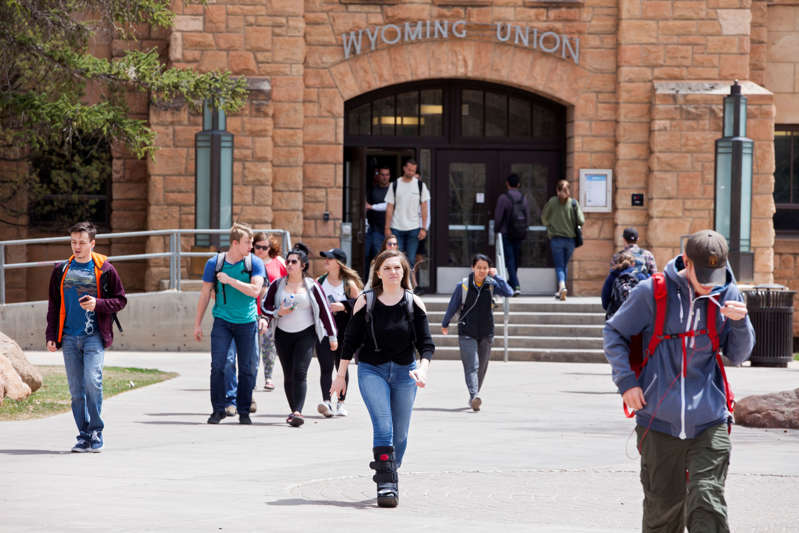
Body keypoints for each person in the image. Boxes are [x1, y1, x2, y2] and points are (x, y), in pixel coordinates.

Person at [603, 230, 755, 532]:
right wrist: (627, 383)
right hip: (658, 422)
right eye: (704, 275)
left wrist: (741, 323)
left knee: (707, 501)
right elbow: (614, 333)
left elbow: (738, 354)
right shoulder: (652, 293)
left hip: (710, 419)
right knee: (663, 512)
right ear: (686, 261)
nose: (710, 283)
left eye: (716, 274)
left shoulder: (727, 294)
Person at [332, 250, 434, 508]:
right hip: (371, 370)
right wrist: (340, 376)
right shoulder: (366, 301)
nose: (393, 272)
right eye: (387, 268)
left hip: (405, 372)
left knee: (400, 435)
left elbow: (426, 345)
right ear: (378, 272)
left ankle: (389, 467)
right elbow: (350, 342)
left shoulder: (413, 302)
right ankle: (387, 485)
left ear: (404, 272)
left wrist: (423, 369)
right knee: (384, 426)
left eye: (397, 268)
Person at [46, 221, 127, 453]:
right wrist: (52, 335)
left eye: (82, 242)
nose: (77, 247)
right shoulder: (60, 270)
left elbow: (120, 300)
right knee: (75, 391)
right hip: (69, 337)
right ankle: (83, 435)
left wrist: (98, 304)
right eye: (73, 242)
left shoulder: (105, 269)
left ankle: (96, 430)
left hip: (94, 337)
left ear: (92, 243)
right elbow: (54, 305)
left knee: (93, 381)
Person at [194, 223, 265, 425]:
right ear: (235, 243)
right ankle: (218, 409)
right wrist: (197, 323)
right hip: (223, 321)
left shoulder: (255, 263)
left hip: (247, 322)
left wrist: (230, 281)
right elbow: (205, 293)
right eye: (247, 243)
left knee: (248, 368)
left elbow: (255, 291)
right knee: (219, 365)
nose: (251, 247)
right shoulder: (214, 263)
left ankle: (244, 412)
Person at [261, 244, 338, 427]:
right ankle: (293, 409)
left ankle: (298, 412)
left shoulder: (313, 286)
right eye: (287, 261)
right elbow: (265, 306)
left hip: (306, 334)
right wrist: (278, 312)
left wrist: (332, 335)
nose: (289, 264)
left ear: (303, 265)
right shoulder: (277, 284)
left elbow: (325, 311)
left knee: (300, 372)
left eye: (294, 262)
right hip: (282, 335)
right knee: (288, 375)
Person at [440, 254, 513, 411]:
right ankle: (474, 396)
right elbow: (453, 305)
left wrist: (497, 276)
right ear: (473, 268)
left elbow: (509, 292)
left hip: (486, 332)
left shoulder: (492, 284)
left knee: (482, 367)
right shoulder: (464, 286)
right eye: (478, 267)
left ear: (489, 269)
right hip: (467, 331)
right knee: (472, 366)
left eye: (485, 268)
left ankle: (474, 395)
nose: (481, 271)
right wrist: (445, 323)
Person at [316, 248, 363, 418]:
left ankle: (341, 403)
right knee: (326, 367)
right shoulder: (319, 281)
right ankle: (327, 402)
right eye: (326, 258)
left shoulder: (348, 283)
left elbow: (360, 303)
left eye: (330, 258)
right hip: (324, 331)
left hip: (344, 332)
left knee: (341, 368)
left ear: (339, 262)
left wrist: (343, 306)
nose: (326, 261)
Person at [541, 179, 584, 301]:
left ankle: (562, 286)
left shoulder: (552, 202)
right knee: (564, 265)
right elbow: (581, 221)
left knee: (559, 266)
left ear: (557, 190)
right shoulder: (573, 204)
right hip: (570, 240)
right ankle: (561, 289)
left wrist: (550, 226)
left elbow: (544, 218)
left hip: (556, 239)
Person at [384, 159, 430, 265]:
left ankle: (406, 281)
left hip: (414, 228)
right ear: (404, 169)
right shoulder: (395, 185)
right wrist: (387, 228)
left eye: (413, 171)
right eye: (409, 170)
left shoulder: (420, 185)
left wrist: (423, 228)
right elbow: (389, 207)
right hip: (396, 228)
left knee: (411, 260)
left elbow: (424, 208)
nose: (411, 172)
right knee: (396, 259)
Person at [258, 233, 287, 391]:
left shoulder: (279, 263)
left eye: (265, 247)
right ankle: (250, 377)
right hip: (251, 310)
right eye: (258, 247)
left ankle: (268, 377)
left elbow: (288, 282)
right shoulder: (249, 262)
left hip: (270, 312)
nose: (261, 250)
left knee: (269, 346)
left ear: (270, 248)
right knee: (252, 347)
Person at [494, 174, 529, 296]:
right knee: (515, 259)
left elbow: (498, 217)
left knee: (510, 260)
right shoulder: (523, 198)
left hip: (506, 233)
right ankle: (512, 282)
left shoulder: (503, 198)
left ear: (507, 184)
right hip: (519, 233)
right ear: (518, 184)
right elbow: (527, 216)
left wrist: (496, 230)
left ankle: (515, 285)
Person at [601, 252, 649, 320]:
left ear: (619, 263)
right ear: (633, 264)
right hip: (637, 317)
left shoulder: (612, 276)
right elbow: (648, 296)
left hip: (616, 317)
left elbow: (605, 299)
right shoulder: (640, 276)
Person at [365, 166, 391, 272]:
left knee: (388, 257)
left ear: (390, 176)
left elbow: (389, 206)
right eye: (382, 175)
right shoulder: (373, 191)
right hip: (375, 229)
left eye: (387, 175)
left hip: (390, 229)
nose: (384, 177)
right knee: (376, 256)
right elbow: (366, 207)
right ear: (378, 176)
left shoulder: (393, 190)